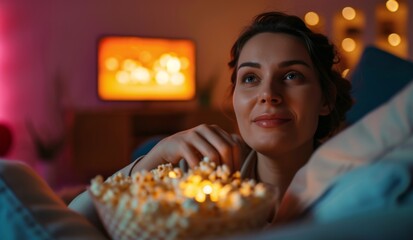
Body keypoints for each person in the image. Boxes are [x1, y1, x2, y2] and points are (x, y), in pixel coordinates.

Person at [69, 11, 353, 230]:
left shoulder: (355, 186)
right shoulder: (202, 171)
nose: (268, 94)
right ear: (234, 98)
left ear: (325, 99)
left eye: (291, 75)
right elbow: (77, 217)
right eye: (251, 78)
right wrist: (154, 157)